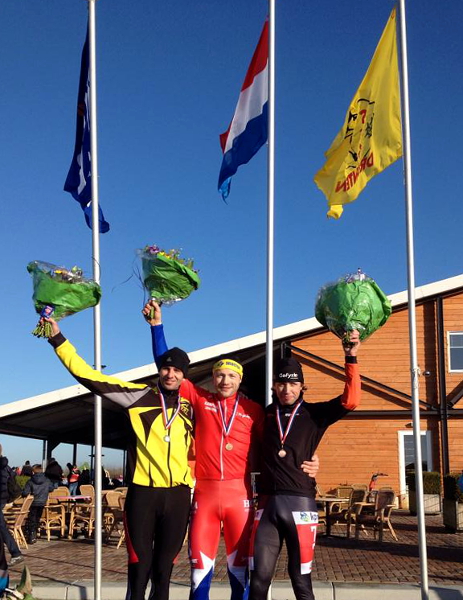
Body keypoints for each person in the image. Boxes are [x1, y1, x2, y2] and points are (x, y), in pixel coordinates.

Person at [144, 301, 319, 600]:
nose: (225, 380)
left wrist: (312, 458)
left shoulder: (255, 410)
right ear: (213, 379)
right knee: (199, 571)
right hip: (205, 496)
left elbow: (285, 439)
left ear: (240, 381)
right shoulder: (201, 400)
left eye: (231, 376)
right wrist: (156, 326)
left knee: (241, 572)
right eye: (220, 375)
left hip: (240, 497)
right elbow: (169, 366)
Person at [41, 315, 194, 600]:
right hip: (143, 494)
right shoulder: (137, 397)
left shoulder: (190, 408)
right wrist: (57, 339)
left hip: (178, 496)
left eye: (176, 370)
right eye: (166, 368)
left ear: (185, 376)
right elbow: (89, 376)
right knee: (139, 571)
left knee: (164, 574)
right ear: (159, 371)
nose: (170, 374)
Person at [248, 332, 361, 600]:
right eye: (282, 384)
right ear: (274, 386)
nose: (287, 390)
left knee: (300, 580)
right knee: (259, 581)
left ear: (301, 387)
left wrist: (351, 356)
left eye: (293, 384)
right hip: (266, 506)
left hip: (301, 505)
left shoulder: (314, 414)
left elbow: (351, 400)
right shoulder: (263, 415)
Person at [0, 456, 24, 567]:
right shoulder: (7, 467)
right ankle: (15, 552)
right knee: (1, 527)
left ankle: (15, 552)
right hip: (3, 499)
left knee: (2, 527)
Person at [22, 464, 54, 544]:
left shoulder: (30, 481)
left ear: (33, 472)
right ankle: (35, 533)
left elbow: (25, 492)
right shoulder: (47, 480)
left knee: (32, 517)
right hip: (42, 502)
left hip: (33, 502)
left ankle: (32, 534)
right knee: (37, 517)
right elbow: (51, 488)